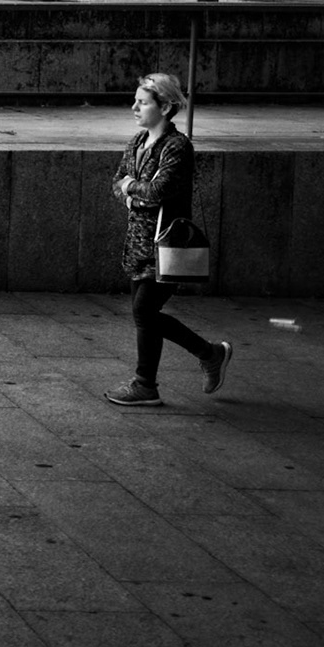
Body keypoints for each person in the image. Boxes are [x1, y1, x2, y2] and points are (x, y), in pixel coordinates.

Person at [105, 73, 231, 405]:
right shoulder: (137, 141)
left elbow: (158, 191)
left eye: (142, 102)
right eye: (135, 101)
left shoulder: (177, 146)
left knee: (144, 312)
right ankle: (162, 377)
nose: (134, 108)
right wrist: (132, 192)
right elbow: (117, 182)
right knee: (145, 315)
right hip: (138, 245)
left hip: (165, 245)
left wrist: (132, 190)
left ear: (164, 107)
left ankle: (180, 367)